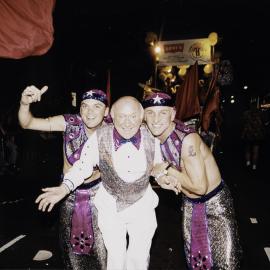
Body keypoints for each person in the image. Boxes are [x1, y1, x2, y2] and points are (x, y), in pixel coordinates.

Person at [35, 96, 171, 270]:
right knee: (115, 257)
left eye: (132, 116)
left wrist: (162, 177)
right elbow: (82, 167)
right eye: (122, 116)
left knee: (139, 256)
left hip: (143, 206)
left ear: (141, 117)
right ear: (112, 116)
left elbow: (157, 165)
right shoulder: (99, 137)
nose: (127, 122)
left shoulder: (152, 137)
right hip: (110, 207)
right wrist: (64, 188)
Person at [143, 92, 242, 270]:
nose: (156, 119)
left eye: (162, 113)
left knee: (227, 262)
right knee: (197, 262)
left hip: (215, 204)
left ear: (172, 114)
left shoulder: (187, 140)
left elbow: (200, 187)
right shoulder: (149, 135)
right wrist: (157, 173)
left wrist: (165, 168)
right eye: (150, 112)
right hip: (189, 204)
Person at [18, 85, 109, 270]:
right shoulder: (69, 122)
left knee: (102, 251)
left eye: (97, 106)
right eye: (85, 105)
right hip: (67, 195)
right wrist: (24, 103)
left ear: (106, 111)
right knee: (70, 252)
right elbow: (28, 123)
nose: (89, 112)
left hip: (100, 196)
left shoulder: (112, 130)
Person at [241, 100, 266, 170]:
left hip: (248, 135)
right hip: (257, 135)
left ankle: (248, 163)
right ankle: (254, 166)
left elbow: (243, 123)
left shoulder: (246, 113)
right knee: (256, 151)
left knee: (247, 149)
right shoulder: (260, 113)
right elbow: (263, 123)